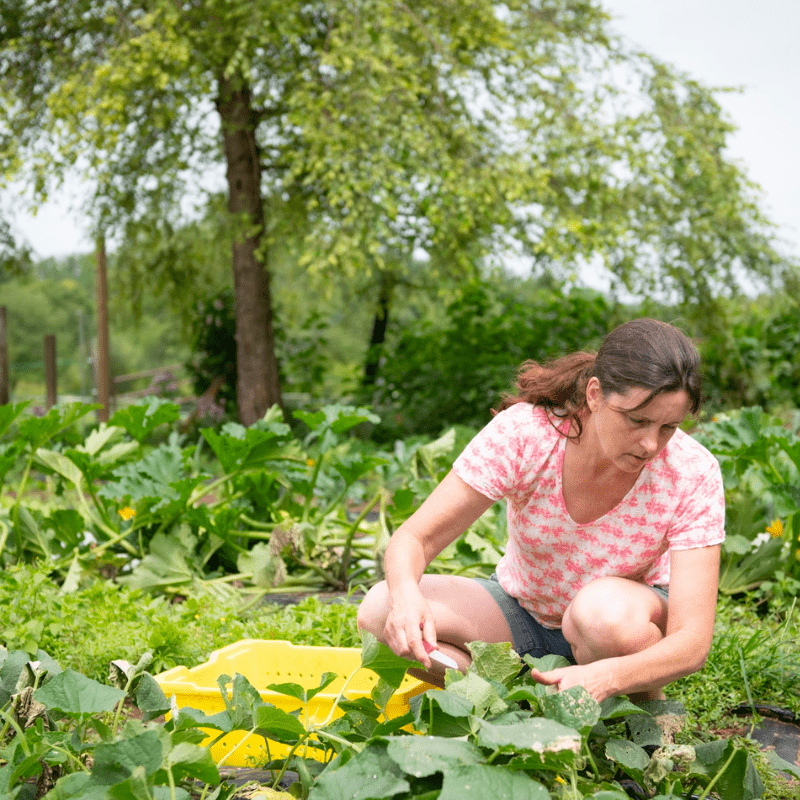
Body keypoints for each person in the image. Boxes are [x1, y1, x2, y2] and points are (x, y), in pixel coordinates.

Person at [357, 318, 725, 703]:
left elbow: (692, 641)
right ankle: (513, 695)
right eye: (637, 421)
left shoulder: (691, 472)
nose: (651, 443)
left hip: (619, 631)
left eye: (668, 426)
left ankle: (640, 708)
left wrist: (605, 676)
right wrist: (405, 598)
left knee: (601, 614)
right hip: (521, 612)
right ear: (595, 394)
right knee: (380, 608)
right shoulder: (528, 435)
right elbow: (415, 538)